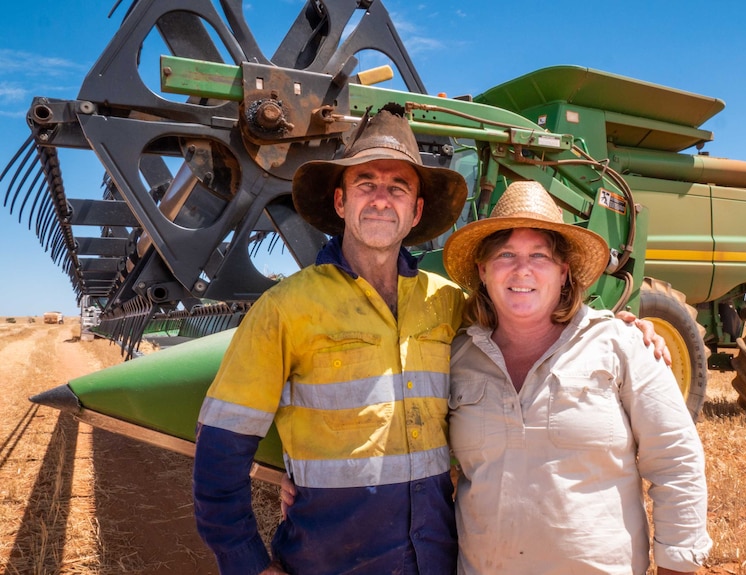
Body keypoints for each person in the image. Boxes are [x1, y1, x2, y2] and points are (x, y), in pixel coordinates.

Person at [196, 104, 668, 575]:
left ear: (416, 210)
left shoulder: (446, 304)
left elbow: (527, 318)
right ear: (341, 202)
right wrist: (248, 565)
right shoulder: (285, 309)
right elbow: (220, 449)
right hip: (330, 562)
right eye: (366, 184)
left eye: (398, 188)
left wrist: (617, 327)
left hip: (436, 559)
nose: (382, 198)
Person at [441, 180, 712, 575]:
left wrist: (677, 565)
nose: (522, 270)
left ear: (564, 272)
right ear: (483, 270)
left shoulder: (621, 344)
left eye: (540, 255)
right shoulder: (457, 356)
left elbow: (675, 459)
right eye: (505, 255)